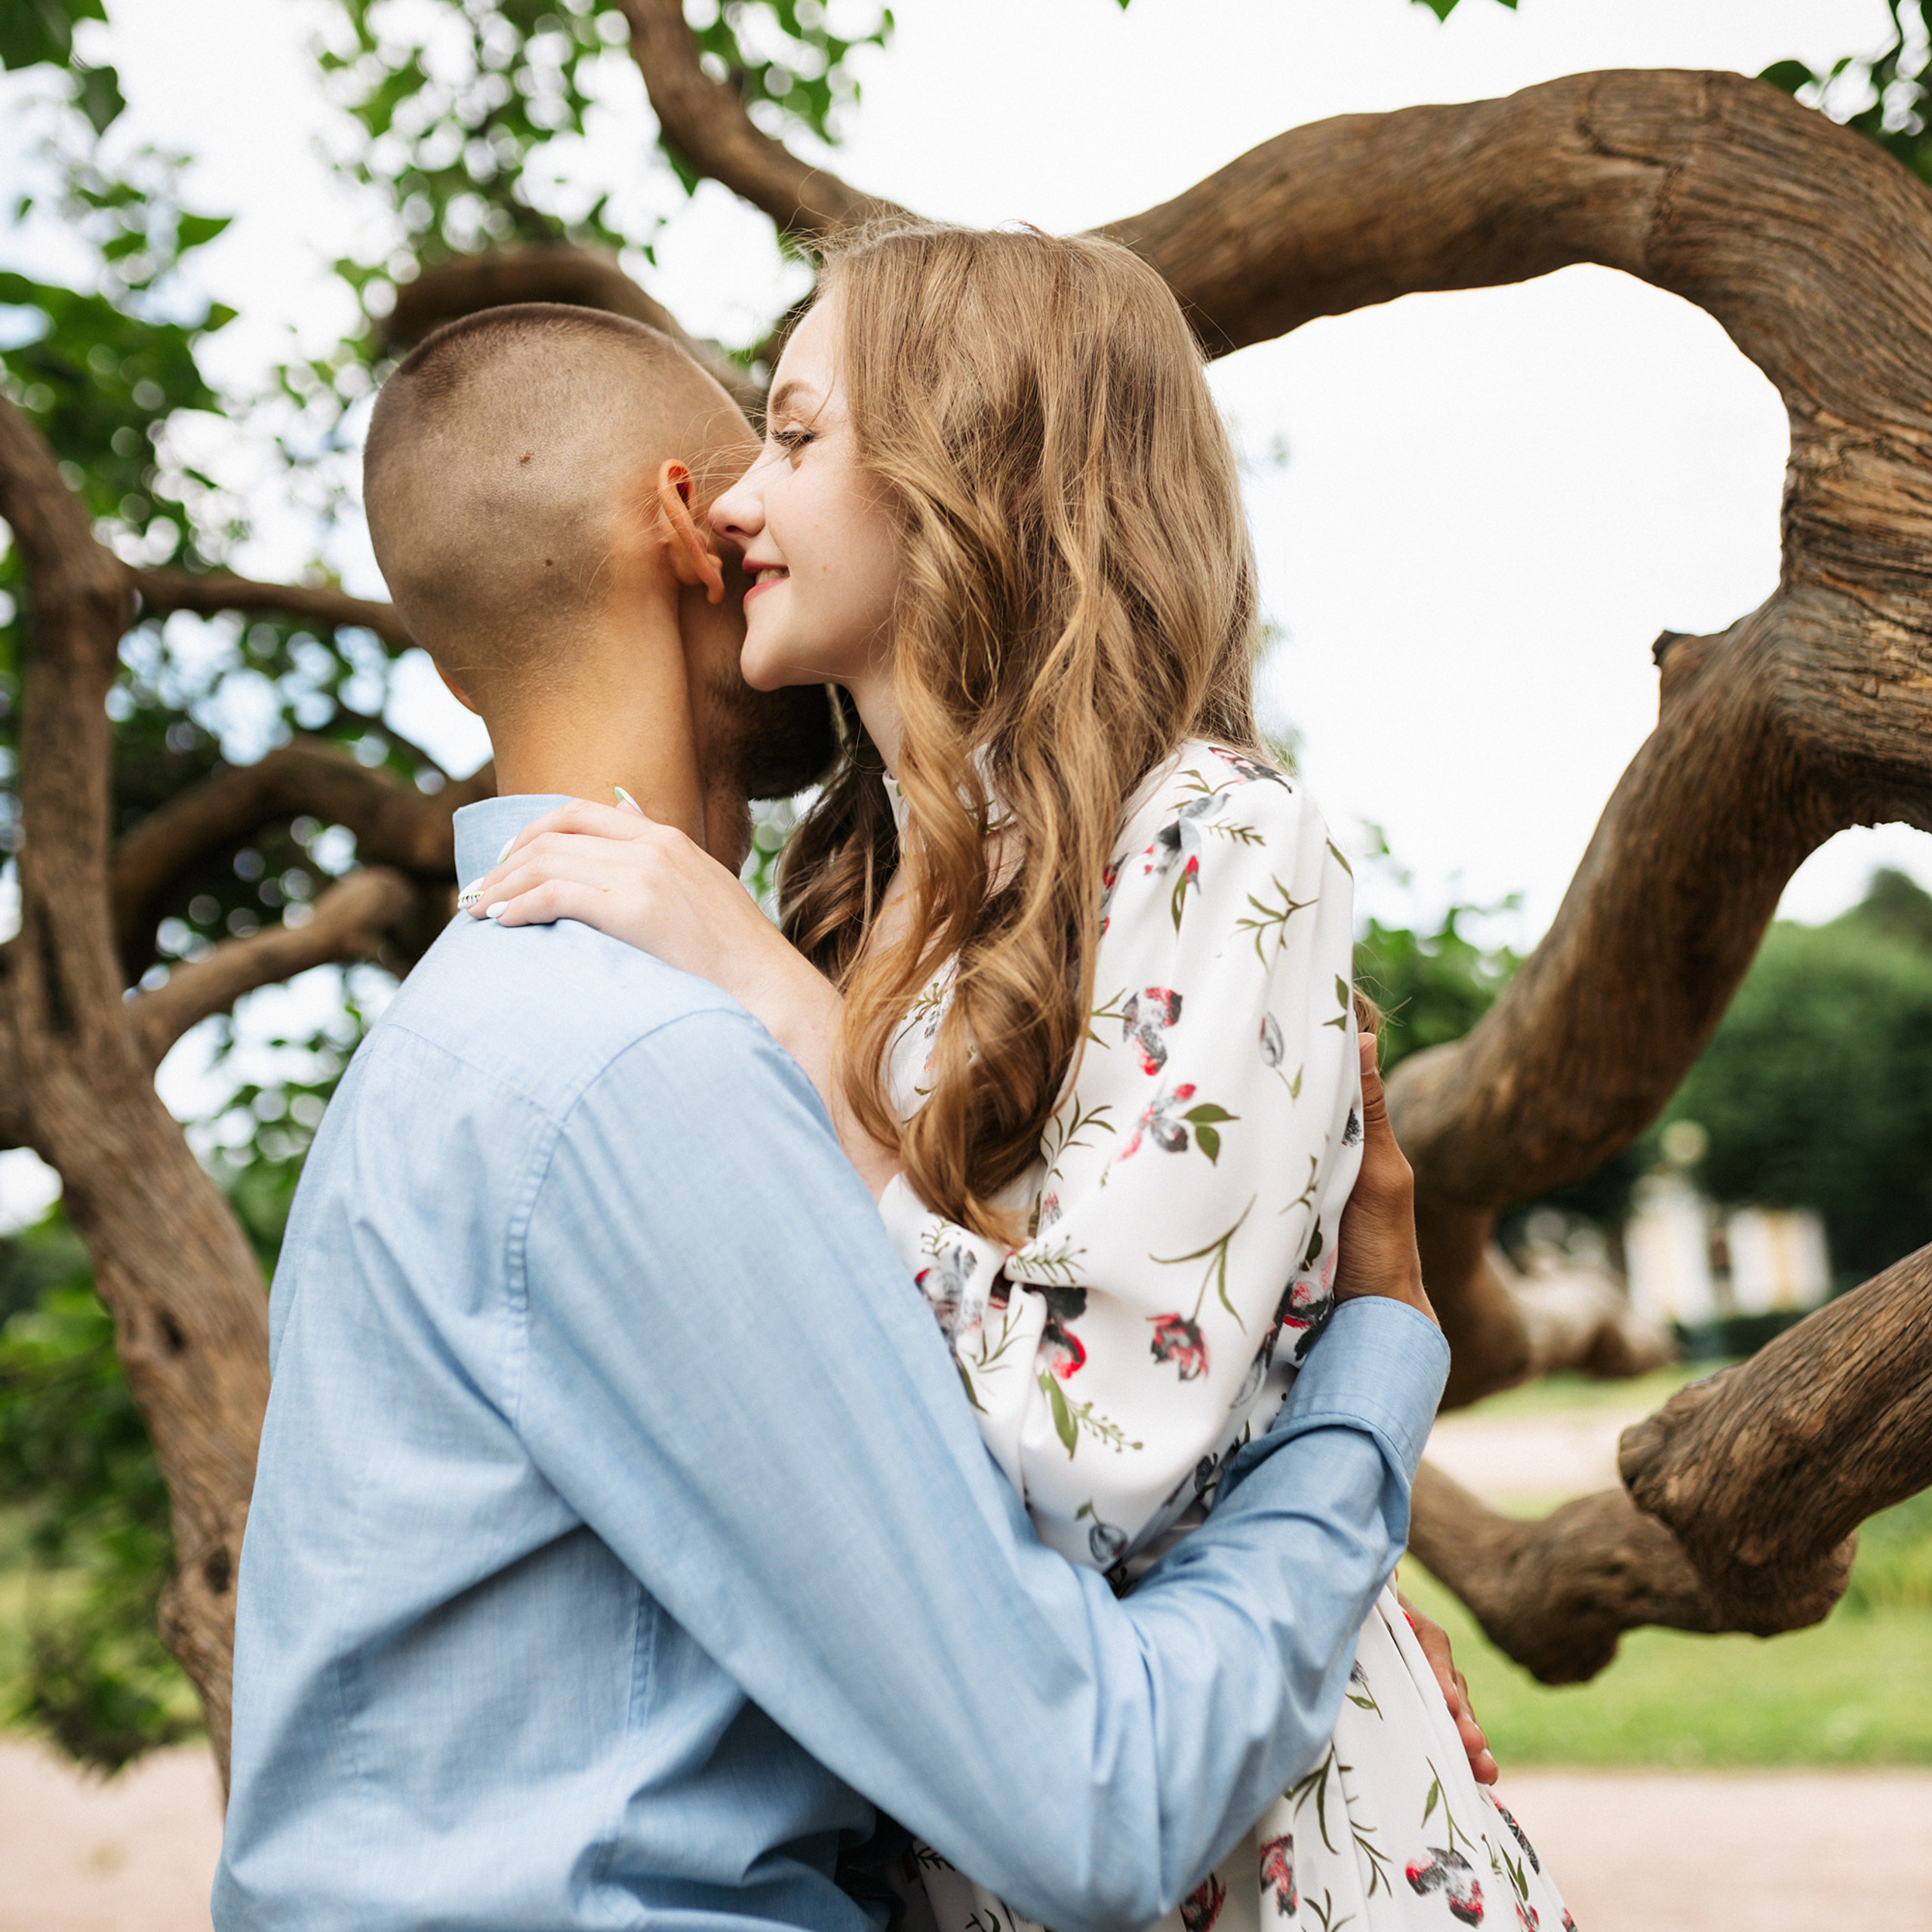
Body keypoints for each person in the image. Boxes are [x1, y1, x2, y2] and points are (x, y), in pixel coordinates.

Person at [212, 298, 1454, 1932]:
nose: (759, 509)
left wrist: (1320, 1678)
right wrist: (1364, 1394)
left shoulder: (459, 1041)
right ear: (686, 529)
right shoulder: (643, 1063)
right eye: (764, 451)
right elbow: (1093, 1789)